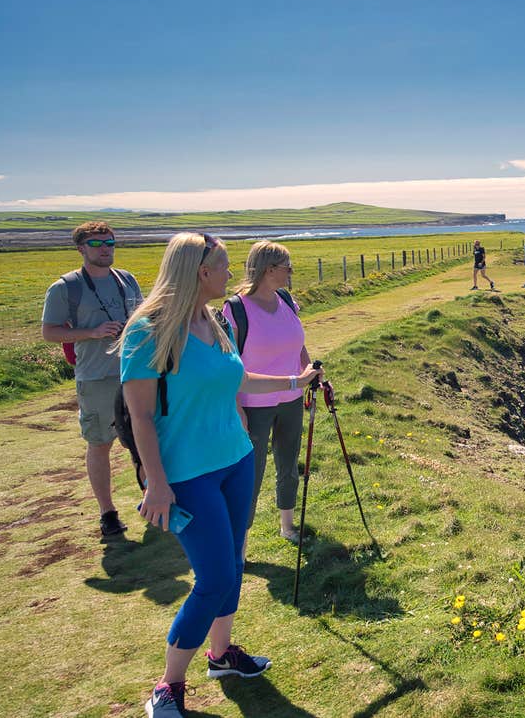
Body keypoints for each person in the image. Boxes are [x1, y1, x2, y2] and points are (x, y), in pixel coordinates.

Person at [117, 233, 320, 718]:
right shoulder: (150, 330)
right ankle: (168, 685)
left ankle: (221, 655)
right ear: (198, 271)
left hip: (234, 460)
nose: (231, 275)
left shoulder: (210, 320)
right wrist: (158, 483)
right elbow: (140, 416)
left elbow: (239, 378)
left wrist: (296, 381)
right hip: (188, 475)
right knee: (211, 578)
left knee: (231, 566)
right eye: (225, 266)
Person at [41, 221, 145, 538]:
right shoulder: (65, 288)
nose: (105, 249)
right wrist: (92, 333)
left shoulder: (126, 280)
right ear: (81, 248)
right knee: (100, 443)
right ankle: (108, 513)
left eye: (110, 242)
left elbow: (142, 317)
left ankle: (152, 497)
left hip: (135, 372)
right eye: (97, 244)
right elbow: (49, 332)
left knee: (146, 439)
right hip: (97, 376)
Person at [221, 241, 310, 542]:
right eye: (287, 267)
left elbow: (298, 342)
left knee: (288, 464)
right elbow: (229, 363)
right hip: (253, 404)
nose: (291, 273)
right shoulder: (235, 309)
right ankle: (241, 542)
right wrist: (236, 406)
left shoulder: (285, 299)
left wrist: (309, 371)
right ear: (269, 269)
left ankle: (287, 526)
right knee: (251, 475)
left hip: (292, 399)